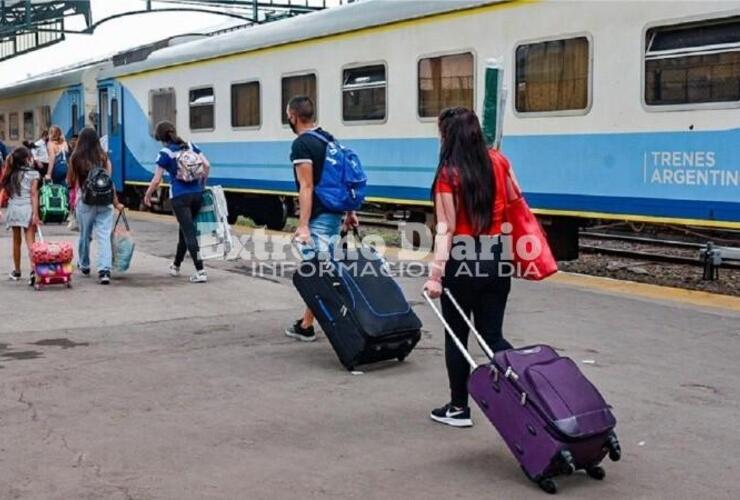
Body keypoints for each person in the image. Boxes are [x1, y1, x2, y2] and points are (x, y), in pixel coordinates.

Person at [423, 107, 516, 428]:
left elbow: (444, 229)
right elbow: (517, 200)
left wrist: (436, 276)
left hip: (462, 261)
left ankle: (459, 408)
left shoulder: (448, 174)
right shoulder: (499, 161)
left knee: (458, 337)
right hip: (497, 257)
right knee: (492, 336)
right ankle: (527, 390)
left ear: (448, 136)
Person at [284, 95, 358, 342]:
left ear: (293, 116)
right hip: (334, 214)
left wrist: (303, 225)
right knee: (320, 272)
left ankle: (348, 322)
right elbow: (342, 179)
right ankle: (306, 324)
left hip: (318, 217)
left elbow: (306, 186)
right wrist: (349, 212)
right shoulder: (329, 139)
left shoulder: (302, 144)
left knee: (317, 275)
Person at [143, 121, 210, 283]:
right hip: (197, 195)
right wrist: (202, 184)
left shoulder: (165, 153)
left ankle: (200, 271)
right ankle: (176, 266)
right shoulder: (191, 146)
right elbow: (207, 165)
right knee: (184, 231)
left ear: (160, 137)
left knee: (189, 233)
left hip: (180, 197)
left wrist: (147, 194)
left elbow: (157, 179)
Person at [67, 127, 123, 285]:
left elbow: (70, 181)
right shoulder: (103, 157)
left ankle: (84, 265)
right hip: (105, 201)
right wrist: (116, 202)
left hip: (85, 202)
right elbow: (109, 181)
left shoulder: (76, 158)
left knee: (85, 235)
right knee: (104, 236)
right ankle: (105, 270)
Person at [0, 147, 41, 285]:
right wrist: (35, 214)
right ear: (26, 159)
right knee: (31, 243)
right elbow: (34, 194)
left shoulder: (10, 173)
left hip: (13, 209)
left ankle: (17, 271)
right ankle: (34, 271)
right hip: (27, 209)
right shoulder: (33, 174)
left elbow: (6, 192)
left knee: (16, 241)